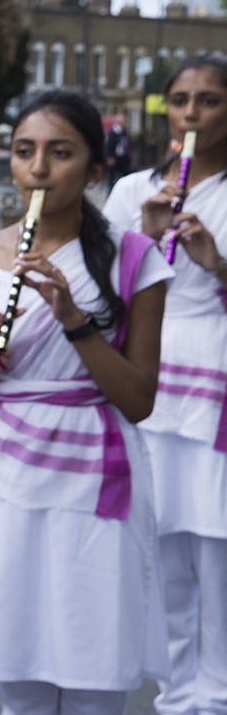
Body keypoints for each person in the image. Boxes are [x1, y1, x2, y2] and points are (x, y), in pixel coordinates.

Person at [0, 89, 172, 715]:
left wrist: (74, 319)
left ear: (95, 168)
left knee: (94, 676)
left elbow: (139, 400)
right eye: (24, 152)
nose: (38, 169)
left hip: (95, 480)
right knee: (15, 676)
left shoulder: (135, 259)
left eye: (61, 153)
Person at [103, 54, 227, 715]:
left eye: (209, 100)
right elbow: (101, 295)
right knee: (163, 544)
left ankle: (220, 690)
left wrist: (218, 264)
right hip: (149, 375)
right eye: (180, 100)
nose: (192, 114)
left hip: (216, 375)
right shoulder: (131, 191)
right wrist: (143, 240)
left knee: (218, 545)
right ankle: (178, 694)